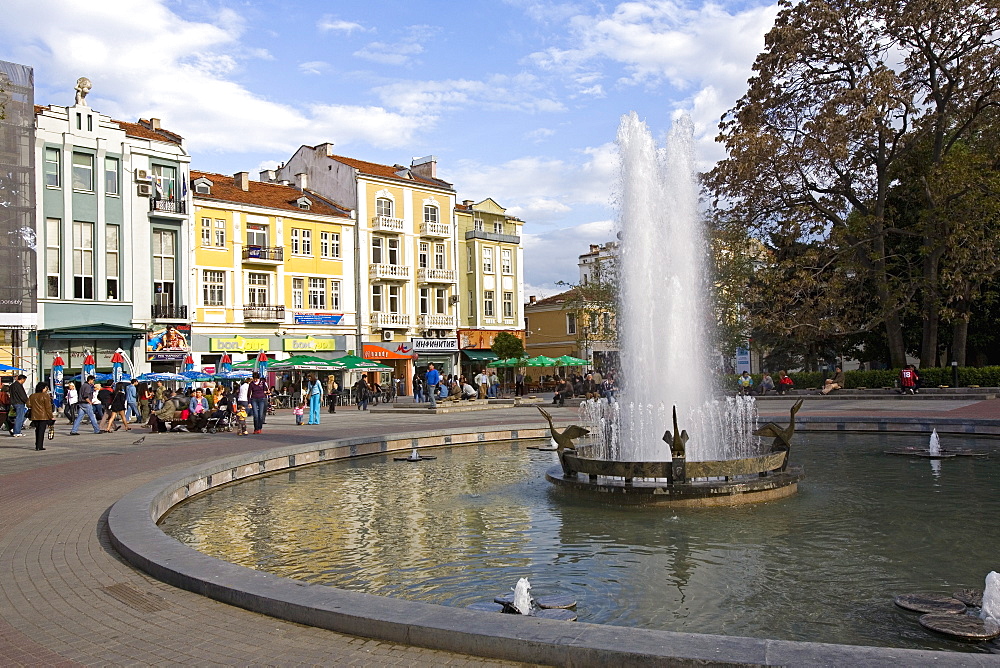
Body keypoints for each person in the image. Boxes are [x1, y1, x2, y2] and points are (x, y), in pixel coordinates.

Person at [26, 382, 55, 451]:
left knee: (37, 430)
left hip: (35, 415)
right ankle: (39, 446)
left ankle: (37, 444)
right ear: (43, 388)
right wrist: (51, 416)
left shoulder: (32, 396)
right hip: (43, 416)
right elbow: (48, 407)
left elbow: (28, 405)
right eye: (45, 388)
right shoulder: (45, 396)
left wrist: (35, 406)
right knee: (41, 431)